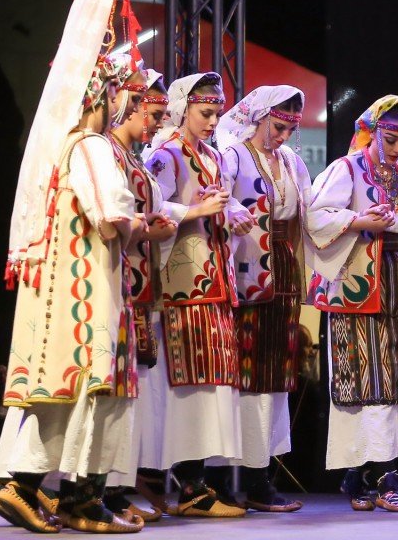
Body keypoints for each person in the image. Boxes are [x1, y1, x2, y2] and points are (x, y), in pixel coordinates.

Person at [0, 0, 148, 534]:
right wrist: (141, 226)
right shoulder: (89, 147)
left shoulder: (72, 148)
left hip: (87, 282)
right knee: (82, 389)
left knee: (86, 392)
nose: (123, 106)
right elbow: (110, 217)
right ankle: (27, 486)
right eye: (118, 97)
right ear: (101, 99)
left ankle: (80, 497)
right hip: (90, 288)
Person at [306, 95, 398, 512]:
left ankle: (361, 472)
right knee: (363, 374)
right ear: (372, 132)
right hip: (359, 277)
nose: (397, 149)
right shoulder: (347, 168)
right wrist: (358, 220)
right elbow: (315, 215)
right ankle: (380, 472)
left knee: (396, 374)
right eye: (390, 140)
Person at [144, 72, 253, 518]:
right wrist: (195, 210)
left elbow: (221, 201)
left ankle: (195, 480)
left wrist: (235, 212)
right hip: (183, 285)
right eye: (205, 113)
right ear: (182, 109)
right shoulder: (164, 155)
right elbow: (151, 210)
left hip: (214, 280)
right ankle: (186, 484)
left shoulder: (214, 155)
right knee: (188, 385)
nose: (212, 122)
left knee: (213, 382)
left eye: (216, 114)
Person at [211, 85, 312, 512]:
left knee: (275, 374)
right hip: (247, 271)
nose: (283, 136)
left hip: (283, 270)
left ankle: (259, 476)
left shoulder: (291, 162)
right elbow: (216, 196)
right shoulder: (233, 155)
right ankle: (219, 478)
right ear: (259, 117)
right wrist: (232, 209)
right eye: (277, 126)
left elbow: (309, 210)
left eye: (290, 129)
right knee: (243, 373)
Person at [101, 61, 181, 524]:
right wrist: (148, 230)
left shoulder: (132, 157)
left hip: (138, 283)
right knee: (114, 388)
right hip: (117, 279)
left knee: (131, 391)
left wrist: (152, 226)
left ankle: (116, 486)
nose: (154, 123)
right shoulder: (108, 153)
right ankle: (100, 489)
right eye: (150, 113)